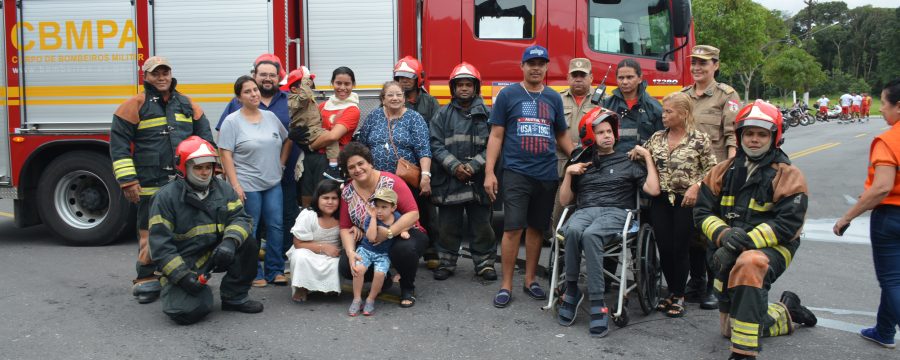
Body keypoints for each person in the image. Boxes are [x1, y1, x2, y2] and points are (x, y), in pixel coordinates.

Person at [694, 100, 817, 360]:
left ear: (775, 137)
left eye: (762, 134)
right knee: (731, 328)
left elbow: (788, 225)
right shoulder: (720, 171)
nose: (754, 140)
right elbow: (702, 213)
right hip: (726, 247)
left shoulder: (788, 175)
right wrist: (724, 235)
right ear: (739, 137)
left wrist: (738, 243)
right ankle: (787, 311)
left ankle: (743, 353)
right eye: (749, 134)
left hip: (772, 248)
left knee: (750, 263)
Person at [110, 56, 215, 304]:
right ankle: (146, 278)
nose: (161, 77)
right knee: (150, 230)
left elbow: (206, 141)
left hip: (184, 182)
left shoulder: (188, 105)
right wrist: (128, 181)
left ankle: (179, 273)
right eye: (155, 73)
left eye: (165, 72)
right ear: (145, 76)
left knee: (186, 229)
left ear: (171, 74)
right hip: (150, 182)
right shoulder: (133, 105)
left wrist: (212, 174)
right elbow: (119, 147)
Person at [484, 45, 575, 308]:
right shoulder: (508, 95)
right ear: (522, 67)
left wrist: (580, 158)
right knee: (512, 229)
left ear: (547, 67)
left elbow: (561, 136)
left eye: (541, 63)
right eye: (531, 63)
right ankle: (506, 285)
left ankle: (531, 280)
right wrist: (489, 172)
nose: (536, 68)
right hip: (516, 173)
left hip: (546, 173)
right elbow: (496, 135)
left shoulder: (553, 98)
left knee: (537, 229)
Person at [556, 108, 660, 337]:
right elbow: (565, 201)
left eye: (610, 131)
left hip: (617, 213)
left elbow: (653, 190)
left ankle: (597, 302)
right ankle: (571, 291)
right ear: (590, 136)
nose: (607, 135)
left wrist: (648, 157)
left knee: (591, 235)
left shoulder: (628, 161)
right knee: (572, 230)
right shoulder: (580, 162)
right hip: (586, 210)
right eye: (601, 132)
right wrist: (569, 174)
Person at [148, 136, 262, 325]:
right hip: (186, 259)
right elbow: (161, 248)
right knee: (185, 313)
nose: (204, 173)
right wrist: (183, 277)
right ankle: (183, 289)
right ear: (183, 167)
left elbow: (241, 218)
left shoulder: (223, 189)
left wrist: (230, 242)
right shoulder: (165, 198)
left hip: (217, 252)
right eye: (198, 168)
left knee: (247, 242)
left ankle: (235, 296)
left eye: (208, 167)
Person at [833, 78, 900, 349]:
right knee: (895, 278)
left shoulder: (889, 140)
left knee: (892, 279)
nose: (881, 109)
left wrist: (848, 216)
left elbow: (882, 187)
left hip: (892, 217)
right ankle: (884, 330)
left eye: (884, 104)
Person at [216, 54, 301, 264]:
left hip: (274, 182)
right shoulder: (232, 120)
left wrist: (281, 164)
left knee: (276, 225)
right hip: (247, 184)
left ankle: (275, 269)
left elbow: (287, 138)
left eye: (254, 89)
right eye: (248, 91)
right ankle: (254, 271)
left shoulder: (273, 116)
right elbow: (224, 151)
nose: (254, 94)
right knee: (251, 228)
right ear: (239, 98)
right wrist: (234, 184)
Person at [643, 92, 718, 317]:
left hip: (686, 201)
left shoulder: (699, 139)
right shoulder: (657, 137)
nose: (663, 115)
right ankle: (672, 292)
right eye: (663, 111)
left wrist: (696, 187)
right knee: (664, 247)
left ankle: (679, 295)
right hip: (660, 200)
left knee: (680, 248)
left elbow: (712, 170)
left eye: (668, 111)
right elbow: (640, 155)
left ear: (683, 114)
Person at [680, 45, 741, 310]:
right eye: (693, 63)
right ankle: (695, 282)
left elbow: (732, 137)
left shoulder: (726, 96)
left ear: (715, 65)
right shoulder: (683, 96)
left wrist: (727, 173)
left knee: (712, 233)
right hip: (685, 174)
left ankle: (715, 286)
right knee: (692, 232)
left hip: (714, 176)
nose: (697, 68)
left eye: (703, 63)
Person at [337, 142, 429, 308]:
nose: (357, 169)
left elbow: (413, 213)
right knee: (346, 265)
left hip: (404, 233)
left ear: (370, 163)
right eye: (351, 167)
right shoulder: (348, 191)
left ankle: (407, 288)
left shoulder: (391, 181)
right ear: (347, 171)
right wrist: (350, 252)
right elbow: (344, 226)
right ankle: (383, 278)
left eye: (360, 163)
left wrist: (389, 232)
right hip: (370, 240)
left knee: (403, 250)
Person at [429, 62, 497, 281]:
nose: (464, 88)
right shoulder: (442, 115)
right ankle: (446, 263)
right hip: (451, 180)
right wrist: (455, 166)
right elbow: (435, 144)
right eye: (460, 85)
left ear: (476, 88)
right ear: (453, 88)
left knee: (482, 225)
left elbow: (495, 144)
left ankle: (485, 265)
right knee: (448, 224)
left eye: (469, 84)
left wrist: (474, 166)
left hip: (478, 181)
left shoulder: (489, 114)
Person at [356, 80, 435, 265]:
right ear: (383, 99)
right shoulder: (374, 117)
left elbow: (424, 149)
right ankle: (381, 255)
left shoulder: (414, 118)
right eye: (390, 95)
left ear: (404, 98)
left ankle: (411, 255)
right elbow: (362, 145)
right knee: (381, 217)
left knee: (408, 218)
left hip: (404, 182)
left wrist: (425, 175)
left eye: (399, 94)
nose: (395, 98)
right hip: (377, 182)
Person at [394, 56, 442, 269]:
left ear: (418, 79)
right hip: (398, 166)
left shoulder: (430, 102)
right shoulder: (391, 100)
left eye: (408, 78)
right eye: (400, 78)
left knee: (426, 208)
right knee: (397, 208)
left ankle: (431, 250)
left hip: (422, 165)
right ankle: (398, 248)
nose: (404, 82)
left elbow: (437, 132)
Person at [550, 58, 599, 238]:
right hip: (561, 166)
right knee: (560, 214)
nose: (578, 79)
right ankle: (558, 258)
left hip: (592, 165)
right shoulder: (556, 99)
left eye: (583, 75)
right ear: (568, 78)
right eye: (574, 75)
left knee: (590, 214)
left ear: (591, 78)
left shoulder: (603, 100)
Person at [303, 66, 361, 207]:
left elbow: (333, 136)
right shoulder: (323, 106)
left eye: (347, 84)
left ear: (353, 85)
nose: (342, 88)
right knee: (307, 202)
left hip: (331, 162)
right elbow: (310, 127)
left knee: (326, 204)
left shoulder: (352, 109)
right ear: (332, 83)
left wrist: (309, 146)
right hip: (311, 159)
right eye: (338, 83)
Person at [349, 188, 410, 316]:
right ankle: (357, 298)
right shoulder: (371, 218)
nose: (379, 210)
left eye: (384, 207)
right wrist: (373, 219)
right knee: (358, 270)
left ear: (393, 208)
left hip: (383, 254)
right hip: (366, 250)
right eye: (376, 206)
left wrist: (403, 231)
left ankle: (371, 299)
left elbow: (406, 224)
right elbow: (371, 237)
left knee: (380, 274)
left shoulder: (397, 217)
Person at [286, 179, 343, 303]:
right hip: (308, 251)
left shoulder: (342, 216)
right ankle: (301, 287)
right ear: (317, 198)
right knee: (300, 256)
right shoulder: (308, 215)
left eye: (334, 198)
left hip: (333, 254)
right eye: (325, 198)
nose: (330, 202)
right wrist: (323, 247)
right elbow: (298, 244)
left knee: (337, 263)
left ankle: (329, 287)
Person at [282, 67, 341, 181]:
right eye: (306, 84)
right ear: (294, 89)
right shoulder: (295, 99)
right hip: (308, 131)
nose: (310, 87)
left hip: (312, 130)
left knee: (330, 137)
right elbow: (305, 96)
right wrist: (305, 78)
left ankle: (332, 167)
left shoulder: (305, 98)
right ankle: (333, 169)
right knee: (332, 138)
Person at [604, 58, 664, 152]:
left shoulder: (654, 107)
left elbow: (663, 141)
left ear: (640, 78)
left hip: (643, 162)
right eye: (621, 78)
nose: (624, 82)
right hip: (613, 162)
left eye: (630, 77)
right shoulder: (606, 105)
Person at [394, 56, 440, 125]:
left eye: (409, 77)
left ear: (418, 79)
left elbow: (437, 128)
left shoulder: (430, 102)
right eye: (401, 77)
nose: (404, 80)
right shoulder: (392, 101)